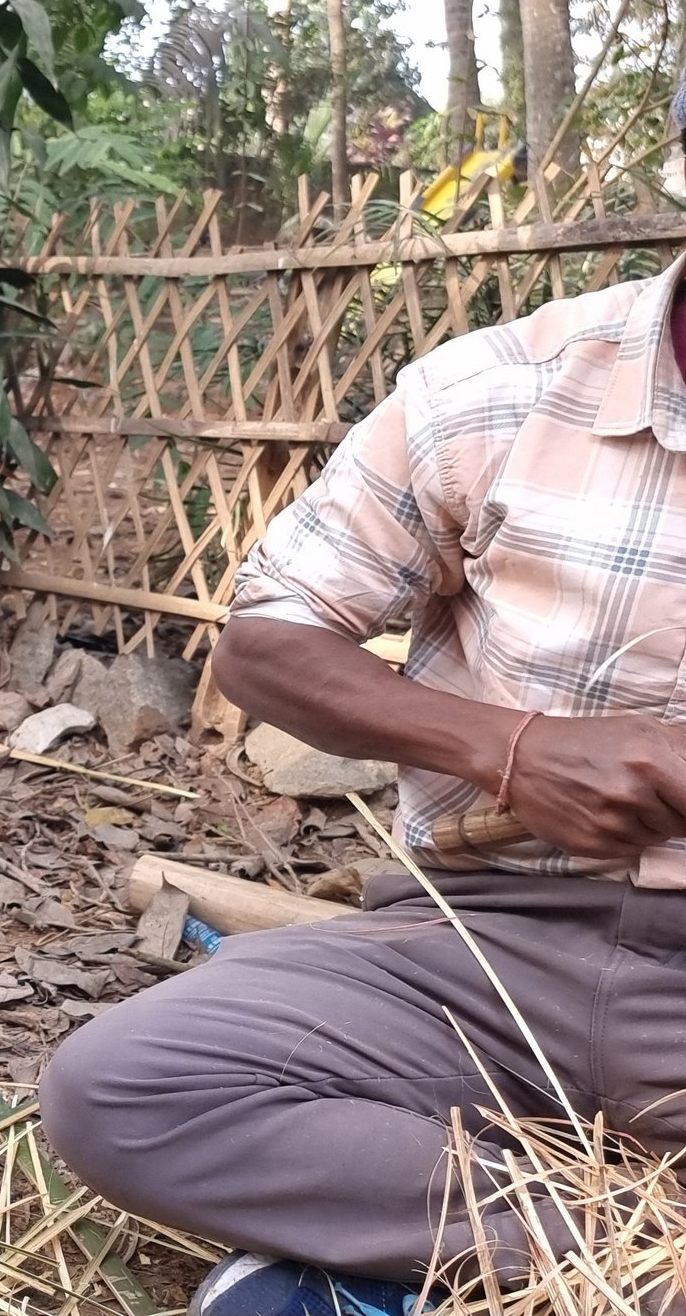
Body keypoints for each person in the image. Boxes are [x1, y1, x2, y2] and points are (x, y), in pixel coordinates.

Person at [38, 167, 686, 1309]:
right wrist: (511, 747)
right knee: (127, 1088)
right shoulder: (502, 391)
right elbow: (264, 645)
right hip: (487, 949)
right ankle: (616, 1247)